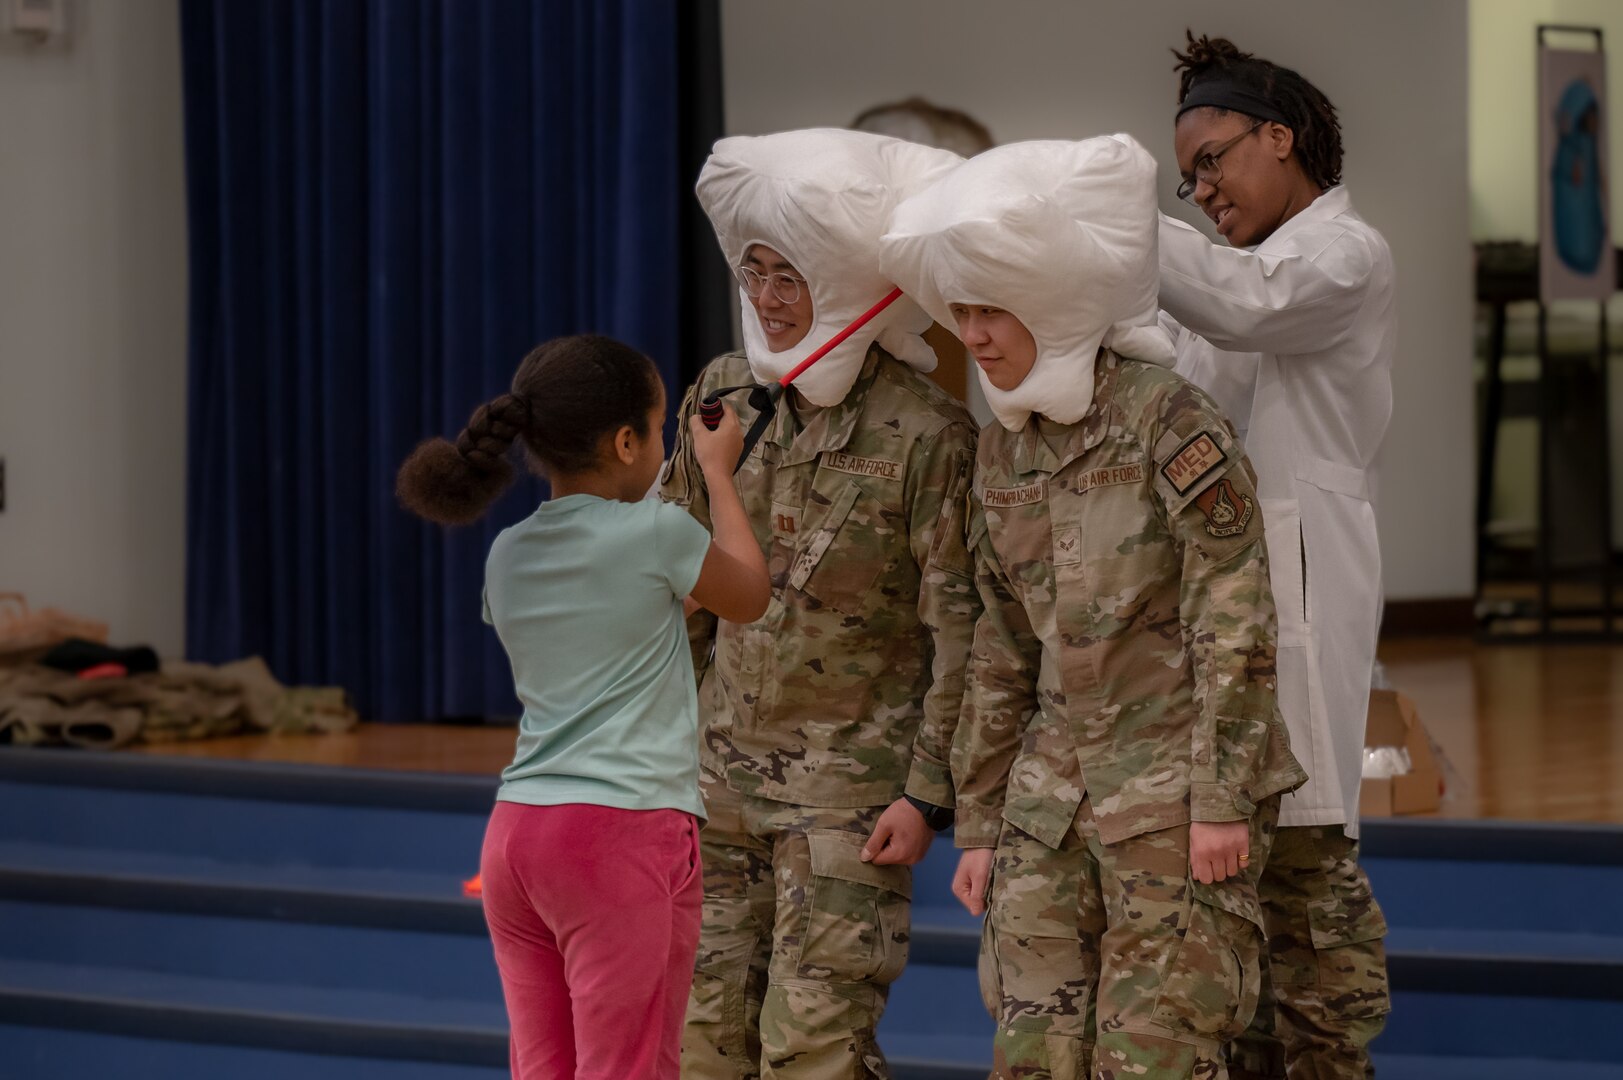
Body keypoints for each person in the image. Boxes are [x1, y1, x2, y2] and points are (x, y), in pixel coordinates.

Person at [880, 133, 1306, 1080]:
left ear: (1052, 305)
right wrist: (982, 822)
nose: (975, 335)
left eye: (995, 311)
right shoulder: (1000, 450)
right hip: (1046, 805)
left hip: (1174, 794)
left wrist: (1223, 800)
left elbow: (1233, 613)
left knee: (1154, 1055)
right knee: (1029, 1054)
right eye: (962, 313)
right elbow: (997, 645)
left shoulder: (1166, 418)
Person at [661, 128, 980, 1078]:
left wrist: (927, 793)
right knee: (701, 1047)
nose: (763, 297)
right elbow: (672, 584)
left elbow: (959, 629)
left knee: (814, 1055)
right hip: (714, 784)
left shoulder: (927, 433)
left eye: (788, 276)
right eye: (752, 272)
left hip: (848, 801)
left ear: (842, 282)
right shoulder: (722, 395)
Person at [396, 334, 770, 1080]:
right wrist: (717, 475)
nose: (666, 441)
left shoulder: (506, 551)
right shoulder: (657, 533)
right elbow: (747, 595)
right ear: (627, 441)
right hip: (619, 834)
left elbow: (627, 606)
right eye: (661, 427)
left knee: (544, 1068)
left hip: (517, 837)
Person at [1158, 33, 1395, 1079]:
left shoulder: (1347, 254)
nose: (1202, 190)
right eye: (1184, 178)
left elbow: (1244, 307)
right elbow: (1185, 356)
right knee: (1241, 854)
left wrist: (1118, 216)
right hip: (1230, 589)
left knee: (1305, 844)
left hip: (1306, 567)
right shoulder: (1238, 276)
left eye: (1213, 161)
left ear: (1280, 136)